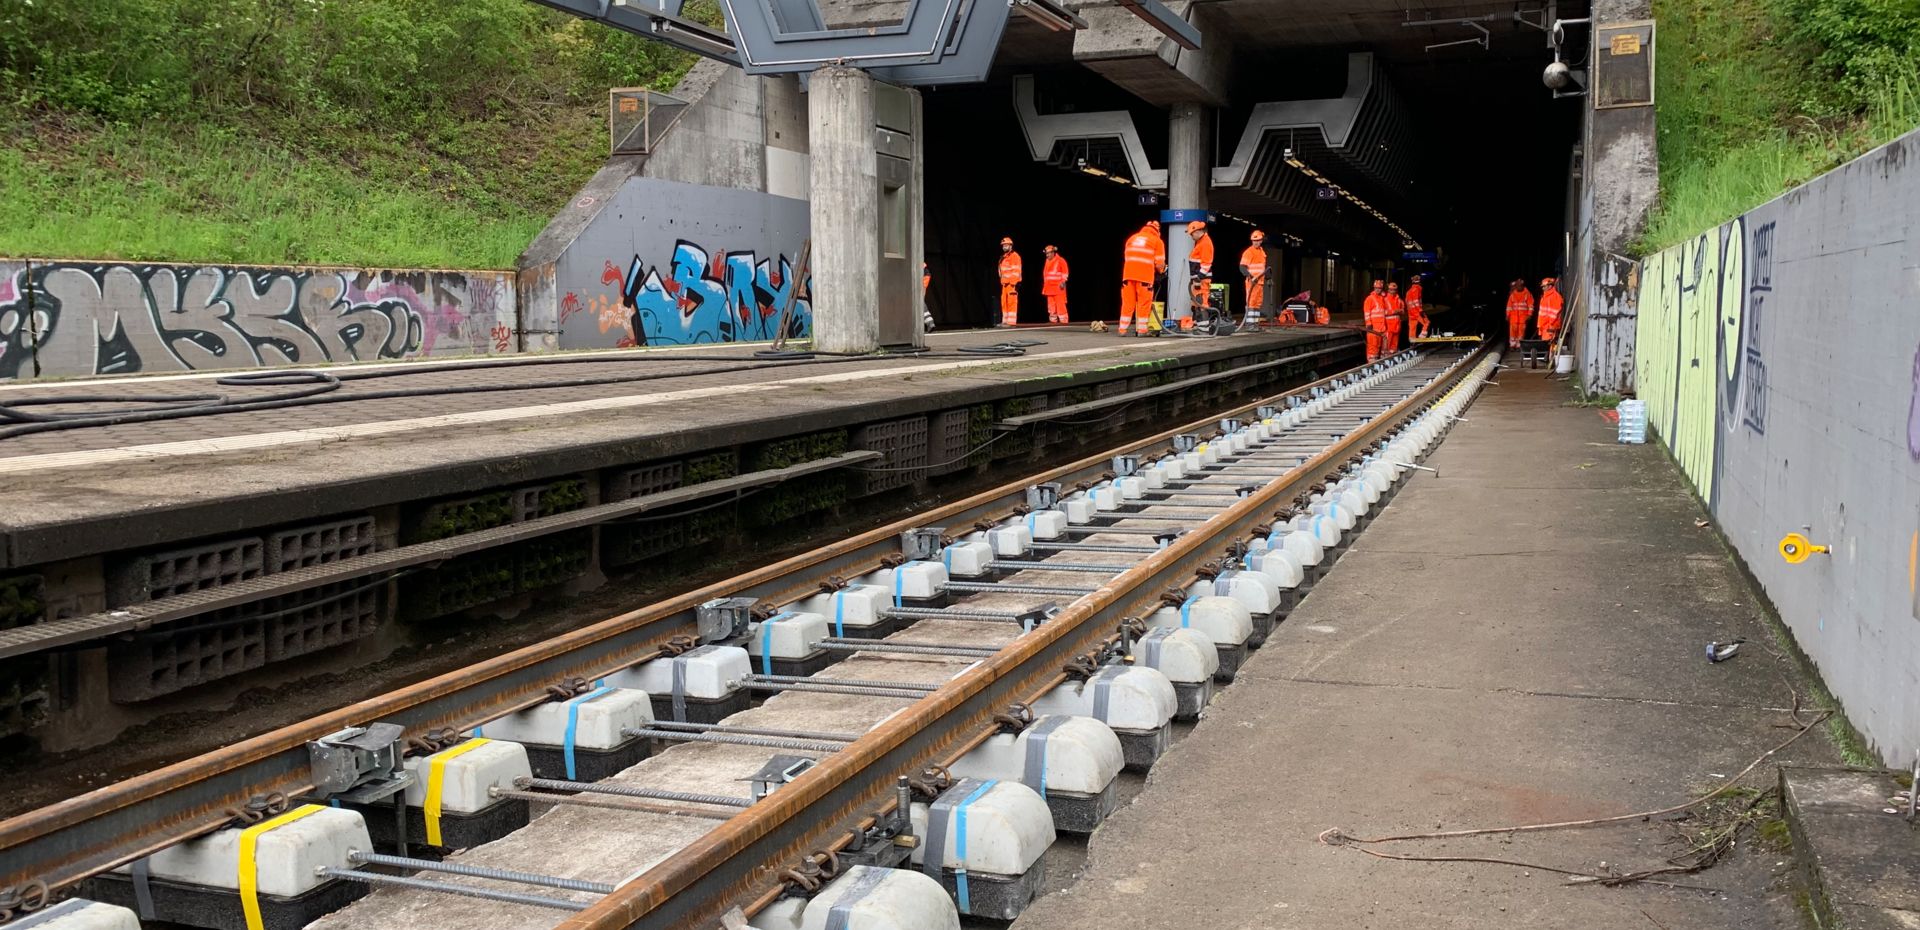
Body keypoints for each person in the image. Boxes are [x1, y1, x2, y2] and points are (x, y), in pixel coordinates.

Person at [1120, 220, 1165, 336]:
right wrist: (1161, 271)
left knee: (1127, 303)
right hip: (1144, 277)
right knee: (1144, 304)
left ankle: (1122, 329)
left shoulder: (1132, 238)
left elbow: (1128, 257)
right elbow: (1160, 263)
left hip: (1128, 276)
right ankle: (1142, 330)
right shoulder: (1157, 241)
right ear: (1157, 230)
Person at [1184, 221, 1214, 330]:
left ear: (1197, 231)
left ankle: (1204, 327)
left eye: (1192, 234)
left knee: (1201, 302)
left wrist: (1199, 277)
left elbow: (1206, 263)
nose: (1191, 236)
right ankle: (1198, 325)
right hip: (1197, 279)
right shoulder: (1201, 242)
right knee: (1196, 302)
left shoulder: (1205, 243)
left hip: (1201, 279)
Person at [1239, 231, 1270, 323]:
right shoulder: (1249, 252)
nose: (1255, 242)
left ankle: (1255, 323)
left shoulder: (1261, 252)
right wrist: (1250, 276)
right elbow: (1242, 267)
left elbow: (1262, 267)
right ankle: (1250, 324)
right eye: (1254, 240)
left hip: (1260, 282)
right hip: (1252, 282)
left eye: (1257, 240)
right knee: (1251, 303)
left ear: (1261, 241)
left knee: (1258, 303)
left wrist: (1268, 278)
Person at [1363, 279, 1391, 361]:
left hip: (1381, 327)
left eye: (1379, 288)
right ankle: (1371, 363)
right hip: (1373, 328)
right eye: (1376, 288)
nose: (1378, 289)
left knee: (1379, 346)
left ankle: (1379, 362)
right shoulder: (1369, 299)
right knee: (1373, 346)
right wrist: (1368, 323)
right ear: (1374, 288)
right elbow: (1367, 312)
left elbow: (1383, 312)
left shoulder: (1381, 299)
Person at [1041, 245, 1070, 324]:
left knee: (1060, 305)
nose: (1047, 255)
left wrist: (1063, 282)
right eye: (1046, 254)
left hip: (1058, 287)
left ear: (1053, 253)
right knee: (1051, 306)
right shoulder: (1047, 261)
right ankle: (1053, 321)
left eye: (1049, 253)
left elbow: (1065, 272)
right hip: (1049, 288)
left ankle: (1064, 321)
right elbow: (1046, 275)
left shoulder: (1060, 260)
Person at [997, 237, 1022, 327]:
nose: (1004, 247)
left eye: (1006, 245)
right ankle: (1005, 321)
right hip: (1005, 283)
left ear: (1011, 246)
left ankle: (1011, 322)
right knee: (1004, 302)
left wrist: (1014, 284)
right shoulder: (1003, 257)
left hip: (1012, 284)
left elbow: (1016, 271)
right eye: (1003, 245)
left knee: (1012, 302)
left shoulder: (1015, 256)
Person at [1506, 278, 1535, 345]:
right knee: (1513, 332)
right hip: (1513, 317)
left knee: (1521, 332)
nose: (1519, 287)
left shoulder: (1527, 294)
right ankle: (1512, 345)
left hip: (1523, 317)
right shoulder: (1512, 294)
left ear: (1523, 286)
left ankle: (1519, 345)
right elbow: (1509, 306)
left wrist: (1530, 315)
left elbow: (1531, 305)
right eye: (1518, 286)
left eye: (1520, 285)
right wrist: (1507, 315)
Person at [1537, 277, 1564, 343]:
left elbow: (1554, 313)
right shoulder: (1545, 296)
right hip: (1544, 326)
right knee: (1546, 345)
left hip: (1549, 326)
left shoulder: (1555, 296)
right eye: (1542, 287)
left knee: (1549, 345)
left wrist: (1551, 325)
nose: (1543, 288)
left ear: (1550, 286)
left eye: (1544, 286)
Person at [1384, 280, 1406, 354]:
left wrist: (1400, 311)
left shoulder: (1399, 300)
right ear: (1388, 290)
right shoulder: (1384, 299)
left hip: (1397, 324)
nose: (1392, 291)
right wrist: (1394, 312)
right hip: (1388, 325)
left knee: (1395, 342)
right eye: (1391, 290)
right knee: (1388, 341)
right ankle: (1386, 355)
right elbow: (1382, 312)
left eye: (1394, 290)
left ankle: (1393, 354)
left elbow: (1403, 311)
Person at [1406, 273, 1429, 340]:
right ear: (1419, 282)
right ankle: (1422, 337)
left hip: (1410, 312)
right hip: (1417, 311)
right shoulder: (1417, 289)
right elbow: (1416, 301)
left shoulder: (1408, 291)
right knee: (1426, 322)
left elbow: (1407, 302)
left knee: (1412, 326)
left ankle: (1412, 341)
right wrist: (1420, 310)